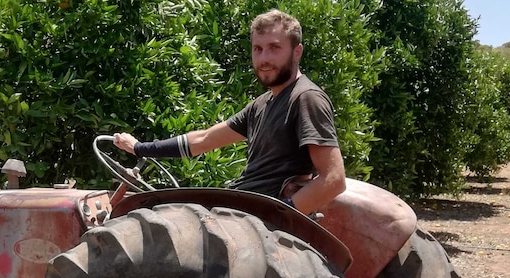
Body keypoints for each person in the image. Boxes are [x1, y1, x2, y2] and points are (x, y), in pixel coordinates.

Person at [113, 9, 346, 215]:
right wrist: (140, 148)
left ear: (297, 52)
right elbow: (203, 139)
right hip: (240, 203)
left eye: (274, 48)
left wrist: (280, 217)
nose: (264, 58)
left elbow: (333, 179)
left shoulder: (306, 98)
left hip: (256, 215)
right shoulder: (261, 105)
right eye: (258, 49)